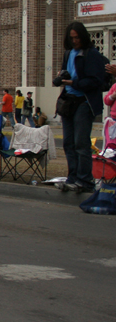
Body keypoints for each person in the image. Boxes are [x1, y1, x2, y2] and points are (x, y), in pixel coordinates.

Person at [54, 21, 106, 193]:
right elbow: (64, 71)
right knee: (68, 142)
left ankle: (85, 180)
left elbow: (95, 81)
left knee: (81, 142)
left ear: (83, 37)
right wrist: (61, 77)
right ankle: (73, 177)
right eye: (71, 38)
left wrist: (74, 82)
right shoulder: (68, 53)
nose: (75, 41)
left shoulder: (91, 54)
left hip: (84, 101)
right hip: (68, 100)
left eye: (77, 38)